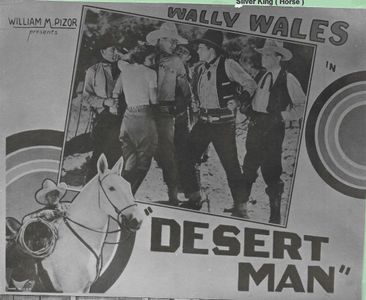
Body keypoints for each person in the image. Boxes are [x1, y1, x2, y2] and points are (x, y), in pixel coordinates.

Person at [179, 29, 256, 217]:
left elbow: (250, 84)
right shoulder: (199, 68)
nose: (198, 51)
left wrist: (239, 100)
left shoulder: (228, 65)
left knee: (230, 165)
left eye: (201, 48)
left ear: (211, 49)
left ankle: (241, 207)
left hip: (223, 124)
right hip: (204, 122)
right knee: (185, 156)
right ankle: (195, 197)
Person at [241, 39, 306, 224]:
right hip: (255, 126)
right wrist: (248, 108)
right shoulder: (261, 75)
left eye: (269, 54)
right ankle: (241, 208)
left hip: (273, 129)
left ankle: (275, 216)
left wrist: (281, 116)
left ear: (279, 58)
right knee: (249, 166)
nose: (264, 57)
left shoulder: (288, 78)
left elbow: (302, 106)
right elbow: (255, 99)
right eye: (263, 54)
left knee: (271, 170)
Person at [146, 23, 191, 205]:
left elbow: (185, 91)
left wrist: (178, 107)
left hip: (165, 111)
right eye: (170, 40)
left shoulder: (176, 62)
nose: (173, 44)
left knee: (167, 151)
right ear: (159, 40)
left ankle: (173, 194)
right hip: (144, 109)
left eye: (175, 41)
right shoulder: (146, 59)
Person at [113, 44, 158, 195]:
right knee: (144, 157)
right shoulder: (151, 73)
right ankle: (129, 194)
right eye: (151, 58)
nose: (153, 62)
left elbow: (122, 60)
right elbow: (154, 100)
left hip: (128, 116)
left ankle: (120, 191)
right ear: (143, 58)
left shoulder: (125, 69)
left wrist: (132, 54)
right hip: (143, 116)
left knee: (129, 156)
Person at [83, 32, 127, 182]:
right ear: (102, 51)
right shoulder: (93, 71)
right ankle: (90, 186)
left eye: (117, 50)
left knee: (119, 156)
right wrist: (104, 102)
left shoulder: (125, 68)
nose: (115, 53)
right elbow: (86, 97)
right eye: (112, 49)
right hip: (104, 119)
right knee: (100, 156)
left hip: (124, 118)